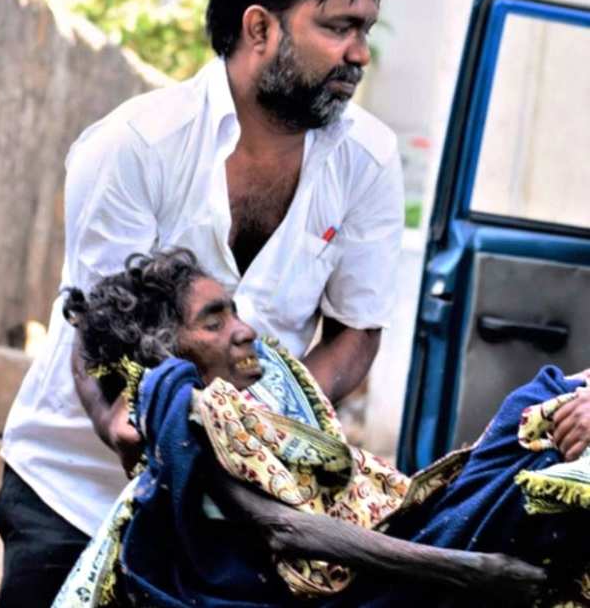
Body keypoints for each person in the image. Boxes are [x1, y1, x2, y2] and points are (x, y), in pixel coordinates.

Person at [0, 0, 406, 605]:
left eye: (364, 29)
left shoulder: (368, 161)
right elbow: (97, 329)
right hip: (73, 490)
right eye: (338, 27)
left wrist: (269, 436)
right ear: (259, 28)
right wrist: (133, 424)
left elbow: (357, 330)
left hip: (229, 515)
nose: (359, 52)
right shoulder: (136, 145)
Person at [54, 248, 590, 607]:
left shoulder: (250, 408)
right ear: (167, 353)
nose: (244, 332)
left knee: (544, 406)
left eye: (235, 313)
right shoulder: (189, 420)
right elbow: (286, 528)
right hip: (373, 584)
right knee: (544, 453)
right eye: (214, 322)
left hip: (403, 535)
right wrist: (474, 570)